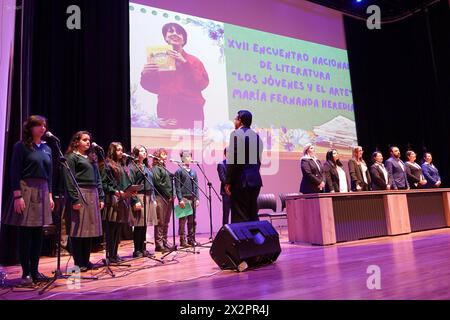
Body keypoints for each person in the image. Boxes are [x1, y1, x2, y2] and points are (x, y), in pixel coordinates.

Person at [5, 115, 54, 286]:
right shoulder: (21, 146)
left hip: (42, 190)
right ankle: (26, 273)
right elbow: (14, 171)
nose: (42, 128)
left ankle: (35, 271)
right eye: (38, 125)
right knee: (26, 233)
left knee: (38, 233)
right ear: (30, 128)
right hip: (26, 189)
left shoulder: (47, 149)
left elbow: (50, 174)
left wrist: (49, 194)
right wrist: (18, 196)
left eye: (44, 125)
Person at [140, 22, 209, 129]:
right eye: (171, 31)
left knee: (195, 142)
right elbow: (154, 87)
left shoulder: (194, 61)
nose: (175, 34)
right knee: (166, 144)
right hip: (167, 111)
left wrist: (185, 63)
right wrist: (145, 75)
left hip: (192, 112)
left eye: (179, 33)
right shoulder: (159, 59)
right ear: (165, 38)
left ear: (184, 40)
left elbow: (202, 84)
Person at [63, 131, 104, 272]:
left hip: (92, 194)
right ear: (77, 141)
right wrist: (74, 199)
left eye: (89, 140)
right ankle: (78, 262)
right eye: (85, 139)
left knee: (89, 230)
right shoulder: (72, 157)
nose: (88, 142)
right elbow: (69, 179)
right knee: (78, 230)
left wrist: (101, 196)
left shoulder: (92, 157)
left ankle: (86, 260)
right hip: (80, 193)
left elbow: (98, 178)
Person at [225, 110, 263, 223]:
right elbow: (258, 160)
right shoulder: (257, 137)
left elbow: (234, 159)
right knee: (253, 214)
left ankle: (243, 240)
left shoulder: (236, 134)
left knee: (240, 215)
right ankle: (257, 240)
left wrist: (228, 181)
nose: (234, 121)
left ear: (240, 120)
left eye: (235, 119)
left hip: (242, 182)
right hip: (255, 181)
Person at [100, 142, 134, 263]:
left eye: (121, 149)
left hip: (122, 199)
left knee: (118, 228)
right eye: (118, 150)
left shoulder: (122, 165)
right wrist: (114, 191)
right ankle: (110, 255)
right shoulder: (107, 165)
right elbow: (103, 183)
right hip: (113, 200)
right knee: (111, 229)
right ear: (112, 151)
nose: (121, 152)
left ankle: (115, 254)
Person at [129, 145, 158, 257]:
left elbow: (151, 184)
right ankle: (137, 250)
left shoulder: (146, 167)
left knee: (145, 224)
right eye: (141, 151)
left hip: (148, 196)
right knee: (139, 224)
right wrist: (134, 200)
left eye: (145, 151)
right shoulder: (133, 167)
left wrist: (154, 198)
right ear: (136, 153)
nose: (144, 152)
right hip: (139, 196)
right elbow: (131, 184)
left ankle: (143, 248)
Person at [175, 150, 200, 247]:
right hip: (184, 199)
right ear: (182, 158)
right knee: (183, 221)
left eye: (190, 156)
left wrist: (197, 198)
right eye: (186, 156)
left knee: (192, 220)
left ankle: (191, 239)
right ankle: (183, 240)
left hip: (192, 198)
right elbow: (177, 186)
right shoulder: (179, 171)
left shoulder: (194, 172)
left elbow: (196, 186)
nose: (189, 158)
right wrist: (180, 199)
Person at [151, 148, 174, 253]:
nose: (165, 156)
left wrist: (171, 195)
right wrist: (168, 194)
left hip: (167, 197)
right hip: (160, 197)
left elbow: (168, 183)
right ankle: (159, 244)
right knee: (160, 221)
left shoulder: (164, 167)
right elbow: (158, 183)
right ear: (158, 156)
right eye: (163, 154)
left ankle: (164, 241)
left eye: (165, 154)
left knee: (166, 221)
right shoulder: (156, 168)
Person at [217, 147, 231, 225]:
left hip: (236, 192)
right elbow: (222, 178)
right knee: (226, 213)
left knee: (236, 214)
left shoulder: (236, 164)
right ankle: (225, 232)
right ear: (225, 153)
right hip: (226, 192)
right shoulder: (221, 164)